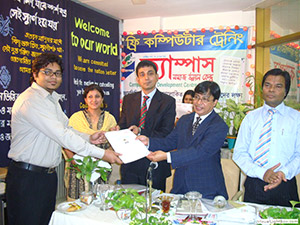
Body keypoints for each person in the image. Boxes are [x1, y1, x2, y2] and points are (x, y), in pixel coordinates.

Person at [5, 53, 122, 225]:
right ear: (35, 73)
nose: (53, 77)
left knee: (44, 220)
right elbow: (62, 135)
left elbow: (67, 129)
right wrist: (103, 153)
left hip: (46, 177)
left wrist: (90, 137)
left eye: (57, 73)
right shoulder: (31, 100)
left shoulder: (51, 99)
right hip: (28, 177)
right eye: (47, 72)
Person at [141, 81, 228, 199]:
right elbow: (169, 142)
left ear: (215, 102)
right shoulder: (184, 120)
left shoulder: (219, 126)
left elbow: (199, 151)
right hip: (180, 187)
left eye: (205, 99)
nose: (198, 103)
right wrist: (148, 142)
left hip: (207, 189)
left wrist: (167, 156)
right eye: (197, 97)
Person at [233, 68, 300, 207]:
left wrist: (282, 173)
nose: (271, 90)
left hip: (285, 185)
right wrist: (262, 173)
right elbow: (239, 153)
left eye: (278, 86)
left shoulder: (296, 118)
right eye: (267, 85)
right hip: (254, 184)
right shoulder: (250, 117)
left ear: (286, 91)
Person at [116, 60, 176, 191]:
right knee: (129, 203)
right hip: (130, 162)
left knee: (154, 207)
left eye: (150, 73)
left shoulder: (168, 102)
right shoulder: (129, 99)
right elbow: (124, 124)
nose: (146, 78)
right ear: (137, 79)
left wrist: (140, 130)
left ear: (157, 76)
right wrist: (117, 130)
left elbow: (166, 132)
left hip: (154, 162)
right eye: (142, 74)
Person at [63, 84, 117, 200]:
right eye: (90, 97)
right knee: (77, 205)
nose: (94, 100)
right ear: (85, 99)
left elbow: (114, 145)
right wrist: (75, 164)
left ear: (102, 99)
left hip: (101, 167)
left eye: (97, 96)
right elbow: (67, 144)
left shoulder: (110, 119)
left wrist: (104, 158)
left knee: (100, 202)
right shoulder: (76, 118)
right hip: (79, 168)